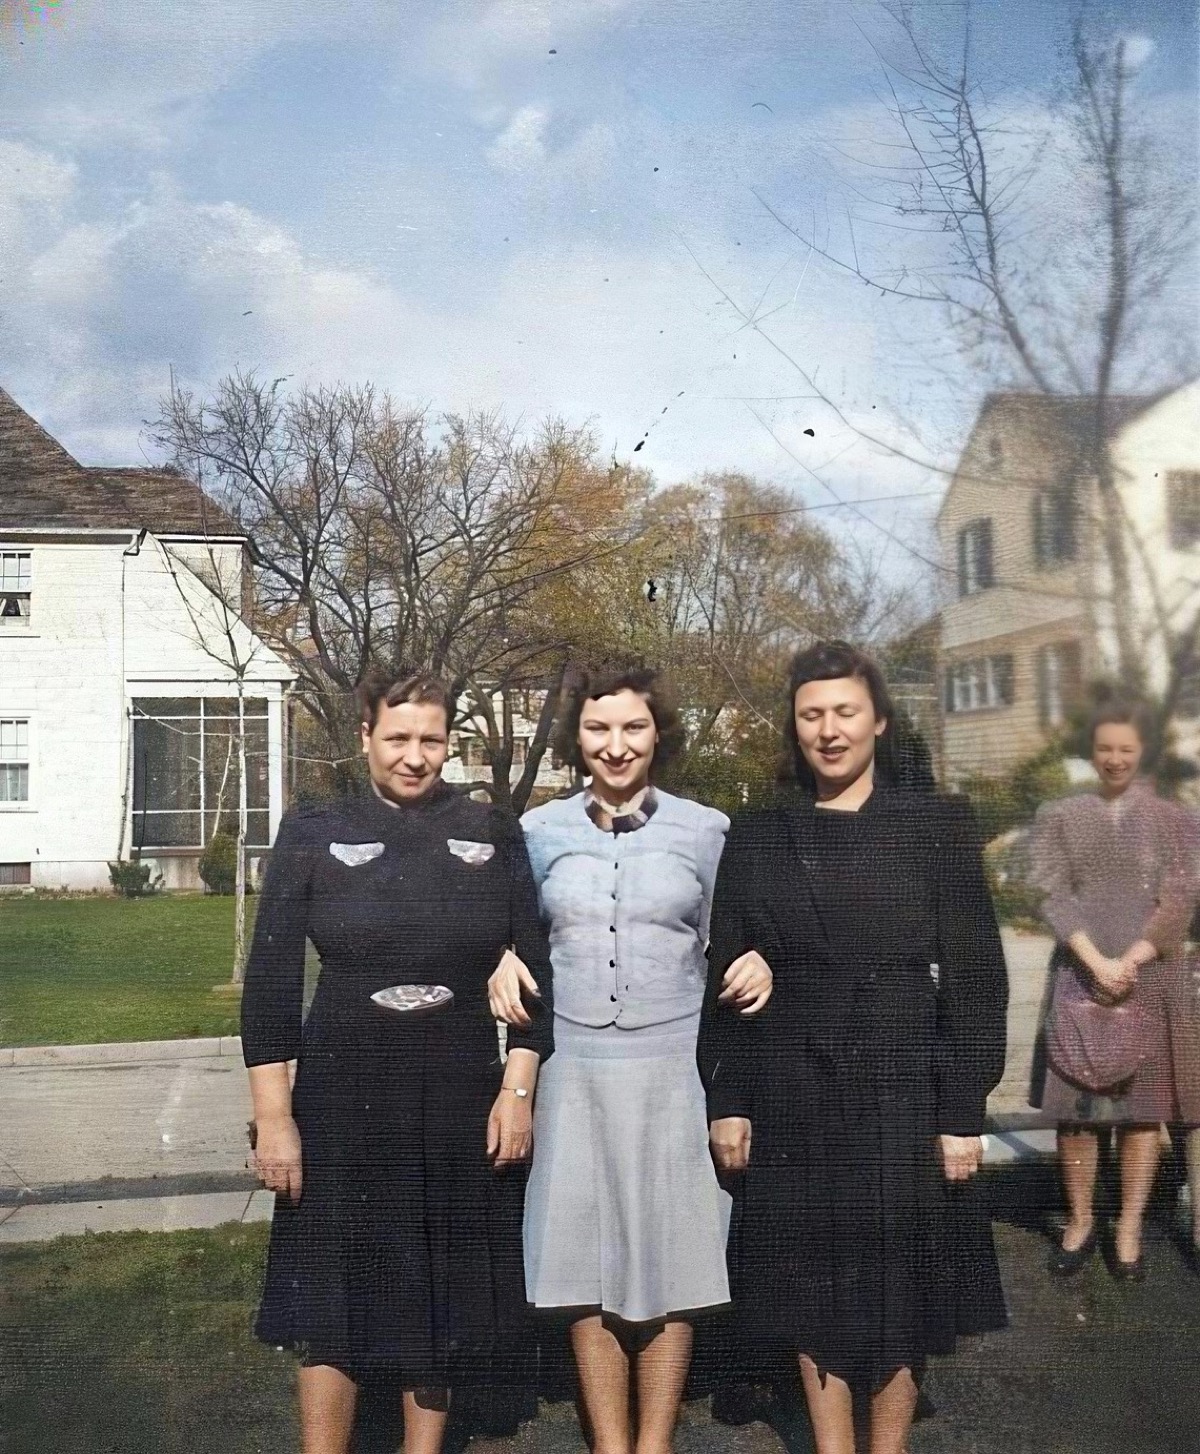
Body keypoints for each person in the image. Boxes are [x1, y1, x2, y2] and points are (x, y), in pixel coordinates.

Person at [699, 640, 1008, 1454]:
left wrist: (963, 1109)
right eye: (811, 715)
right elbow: (723, 961)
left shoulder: (936, 825)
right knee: (810, 1283)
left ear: (876, 719)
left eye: (844, 712)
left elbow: (977, 977)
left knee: (900, 1284)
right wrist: (728, 1098)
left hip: (903, 1076)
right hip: (796, 1081)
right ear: (793, 726)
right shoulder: (762, 834)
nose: (828, 731)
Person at [241, 667, 553, 1454]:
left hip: (455, 1087)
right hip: (343, 1091)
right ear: (365, 738)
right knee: (331, 1301)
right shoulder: (314, 829)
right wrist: (275, 1120)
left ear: (450, 742)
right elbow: (271, 984)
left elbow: (538, 969)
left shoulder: (492, 829)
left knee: (437, 1293)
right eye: (398, 738)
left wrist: (517, 1089)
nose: (415, 757)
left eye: (432, 740)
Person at [487, 663, 773, 1454]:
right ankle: (611, 1444)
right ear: (576, 739)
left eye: (633, 729)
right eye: (598, 730)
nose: (615, 747)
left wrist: (765, 960)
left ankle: (655, 1443)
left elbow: (742, 935)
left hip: (674, 1070)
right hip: (573, 1071)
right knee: (586, 1264)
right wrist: (499, 956)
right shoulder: (538, 834)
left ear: (658, 735)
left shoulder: (708, 831)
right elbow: (508, 930)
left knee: (672, 1260)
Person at [1029, 699, 1200, 1280]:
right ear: (1091, 751)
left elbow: (1179, 901)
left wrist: (1129, 960)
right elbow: (1051, 891)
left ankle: (1127, 1228)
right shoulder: (1059, 815)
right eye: (1105, 748)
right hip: (1080, 977)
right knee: (1077, 1116)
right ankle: (1079, 1221)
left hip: (1152, 980)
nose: (1115, 758)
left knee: (1142, 1115)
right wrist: (1095, 961)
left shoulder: (1175, 820)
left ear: (1143, 751)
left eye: (1127, 748)